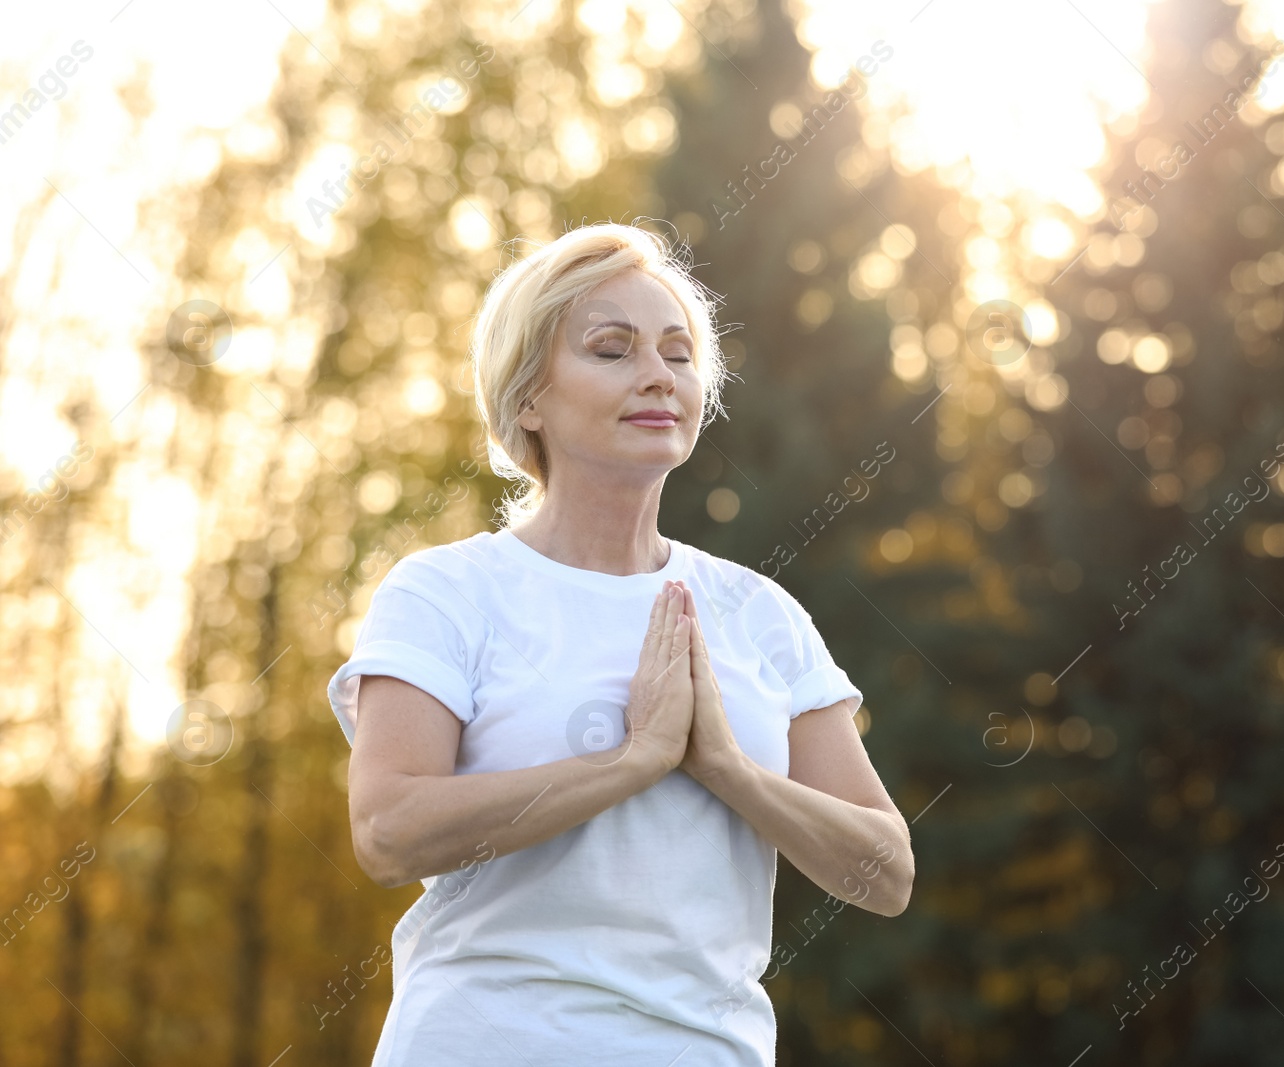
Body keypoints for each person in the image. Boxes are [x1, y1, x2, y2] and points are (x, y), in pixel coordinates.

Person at [325, 222, 914, 1066]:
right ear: (529, 395)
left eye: (678, 354)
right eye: (612, 349)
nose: (658, 376)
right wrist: (628, 764)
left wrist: (728, 769)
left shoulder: (760, 613)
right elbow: (388, 829)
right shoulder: (446, 592)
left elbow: (885, 870)